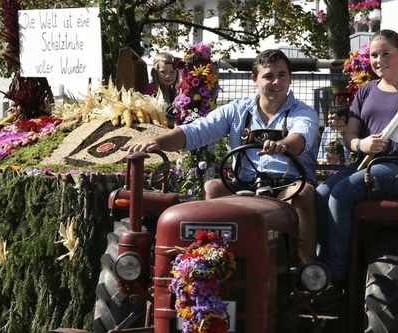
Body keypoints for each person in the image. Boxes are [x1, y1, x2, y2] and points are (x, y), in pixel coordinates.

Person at [126, 49, 320, 263]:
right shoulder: (237, 110)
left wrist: (283, 145)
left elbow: (302, 135)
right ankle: (213, 260)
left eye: (282, 75)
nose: (276, 82)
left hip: (287, 187)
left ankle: (306, 270)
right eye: (268, 76)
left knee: (304, 192)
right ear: (254, 79)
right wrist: (158, 142)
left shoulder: (303, 112)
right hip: (244, 186)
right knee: (213, 187)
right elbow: (197, 131)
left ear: (290, 78)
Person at [315, 29, 398, 290]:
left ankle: (337, 274)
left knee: (343, 192)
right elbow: (350, 135)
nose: (379, 60)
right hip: (366, 163)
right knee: (320, 192)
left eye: (386, 53)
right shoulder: (365, 91)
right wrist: (361, 143)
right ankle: (317, 267)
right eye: (374, 55)